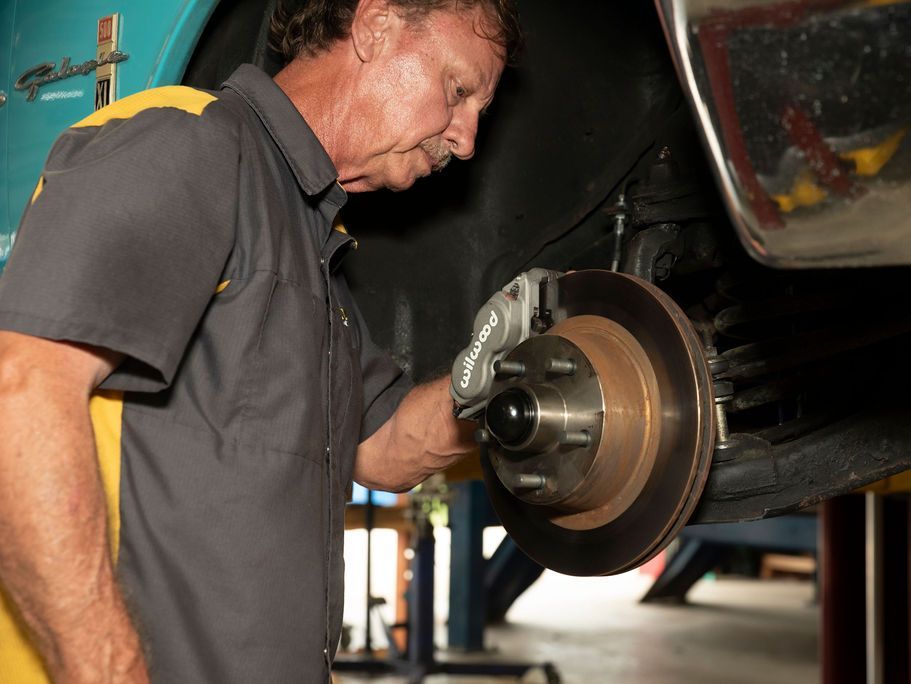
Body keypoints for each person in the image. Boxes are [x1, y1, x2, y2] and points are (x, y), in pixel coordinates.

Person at [0, 0, 521, 681]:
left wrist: (508, 376)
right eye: (457, 90)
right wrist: (107, 666)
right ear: (376, 25)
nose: (467, 139)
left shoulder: (312, 240)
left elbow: (383, 447)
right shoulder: (193, 143)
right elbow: (19, 394)